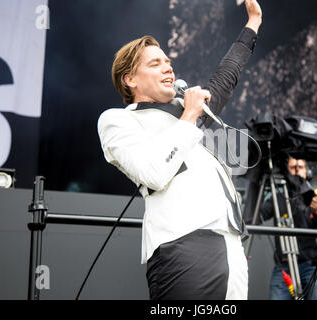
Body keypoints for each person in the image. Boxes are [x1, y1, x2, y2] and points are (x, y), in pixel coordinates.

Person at [97, 0, 262, 300]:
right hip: (183, 244)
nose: (168, 67)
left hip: (231, 246)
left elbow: (226, 76)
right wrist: (189, 115)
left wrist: (253, 23)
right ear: (130, 79)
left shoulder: (186, 111)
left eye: (168, 62)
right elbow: (154, 174)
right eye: (155, 63)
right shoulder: (119, 120)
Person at [260, 157, 317, 300]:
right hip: (283, 267)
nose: (297, 171)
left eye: (300, 167)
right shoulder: (278, 197)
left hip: (310, 265)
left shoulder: (313, 197)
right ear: (286, 172)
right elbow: (259, 214)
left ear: (307, 172)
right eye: (293, 167)